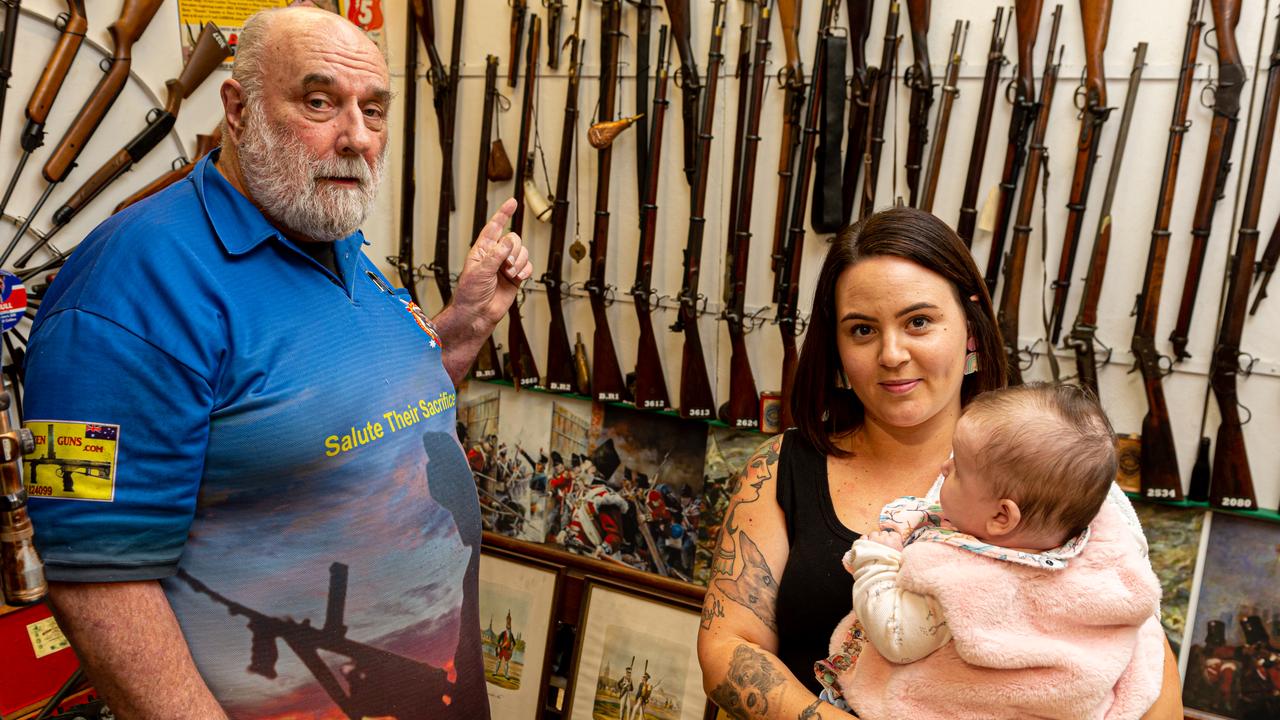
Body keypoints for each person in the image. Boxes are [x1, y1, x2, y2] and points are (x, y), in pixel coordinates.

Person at [21, 6, 530, 718]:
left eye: (374, 110)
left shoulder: (336, 239)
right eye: (319, 102)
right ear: (237, 109)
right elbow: (97, 584)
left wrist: (463, 330)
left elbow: (349, 424)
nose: (356, 137)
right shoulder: (123, 292)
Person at [696, 207, 1184, 719]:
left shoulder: (1050, 472)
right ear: (837, 348)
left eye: (919, 322)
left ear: (970, 328)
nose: (891, 353)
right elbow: (727, 648)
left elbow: (1143, 666)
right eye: (862, 330)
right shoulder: (780, 469)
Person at [817, 383, 1165, 719]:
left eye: (958, 471)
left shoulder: (964, 578)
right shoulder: (1101, 543)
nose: (944, 468)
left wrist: (877, 564)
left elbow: (896, 636)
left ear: (1001, 516)